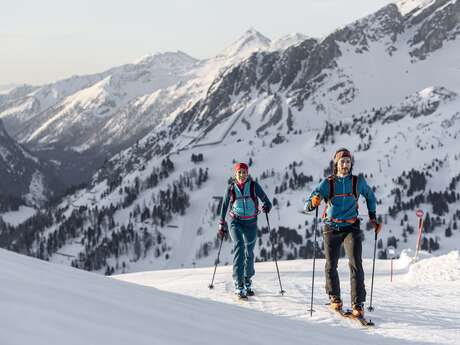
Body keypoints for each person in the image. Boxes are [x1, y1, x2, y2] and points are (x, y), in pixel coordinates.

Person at [304, 148, 381, 317]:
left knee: (355, 264)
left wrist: (373, 217)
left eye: (348, 162)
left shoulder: (357, 182)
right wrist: (314, 202)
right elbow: (307, 205)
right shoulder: (328, 183)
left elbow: (370, 197)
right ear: (336, 164)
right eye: (342, 162)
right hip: (331, 227)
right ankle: (335, 298)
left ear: (351, 164)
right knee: (331, 265)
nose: (345, 165)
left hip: (351, 227)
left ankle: (358, 303)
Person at [218, 162, 272, 299]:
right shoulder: (230, 188)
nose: (242, 175)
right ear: (235, 174)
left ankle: (247, 280)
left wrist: (267, 206)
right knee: (239, 246)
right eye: (239, 172)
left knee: (249, 252)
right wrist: (221, 224)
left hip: (251, 223)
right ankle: (238, 282)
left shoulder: (254, 186)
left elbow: (267, 201)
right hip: (235, 221)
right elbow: (224, 207)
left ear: (247, 173)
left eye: (244, 172)